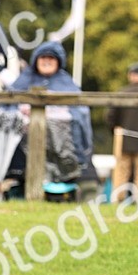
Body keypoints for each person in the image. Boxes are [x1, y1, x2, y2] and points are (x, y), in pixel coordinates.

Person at [9, 40, 93, 186]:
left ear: (58, 61)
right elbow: (7, 105)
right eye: (43, 57)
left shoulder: (67, 83)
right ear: (36, 60)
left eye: (51, 58)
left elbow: (80, 113)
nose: (47, 61)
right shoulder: (23, 80)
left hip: (61, 143)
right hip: (26, 142)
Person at [105, 63, 138, 202]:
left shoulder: (121, 93)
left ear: (130, 75)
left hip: (123, 140)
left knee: (121, 173)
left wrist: (116, 131)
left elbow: (111, 117)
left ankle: (118, 199)